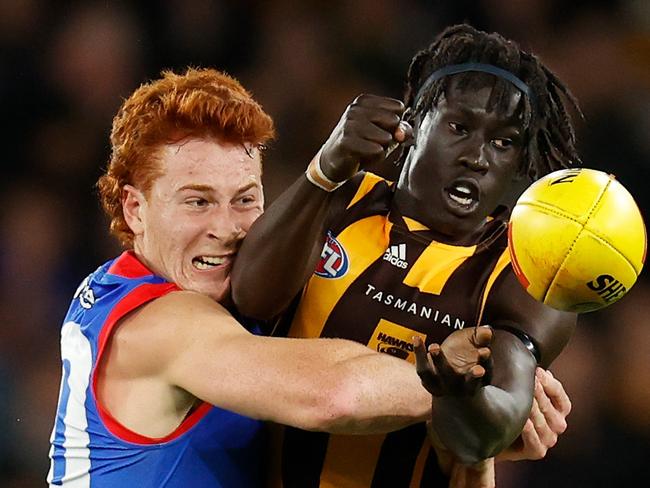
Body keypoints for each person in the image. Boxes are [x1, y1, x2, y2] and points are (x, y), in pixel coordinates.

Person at [45, 66, 516, 488]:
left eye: (245, 200)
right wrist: (473, 394)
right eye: (197, 201)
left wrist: (488, 436)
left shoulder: (238, 311)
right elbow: (335, 393)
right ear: (135, 208)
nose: (226, 229)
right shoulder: (157, 323)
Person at [232, 24, 579, 486]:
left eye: (503, 142)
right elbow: (251, 298)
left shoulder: (522, 268)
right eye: (459, 127)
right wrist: (324, 168)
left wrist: (460, 396)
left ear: (520, 162)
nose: (477, 157)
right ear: (415, 121)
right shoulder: (343, 198)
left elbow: (491, 431)